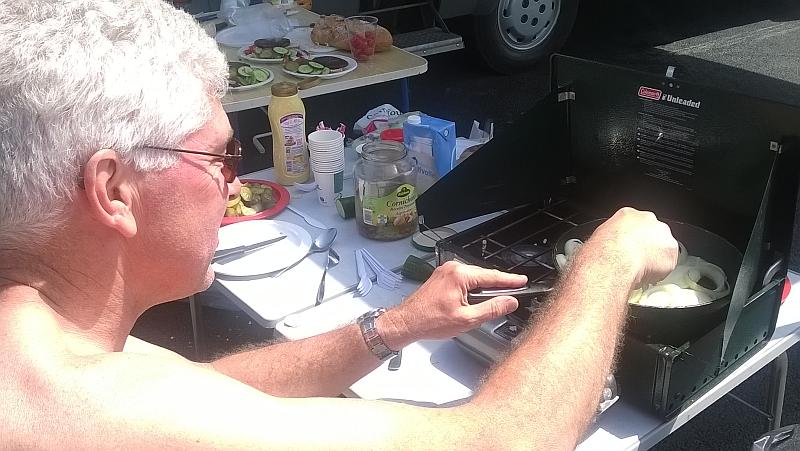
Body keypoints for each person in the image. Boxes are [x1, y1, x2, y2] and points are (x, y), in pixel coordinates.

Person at [0, 1, 679, 449]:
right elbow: (506, 440)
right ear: (113, 189)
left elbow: (210, 390)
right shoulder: (91, 413)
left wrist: (389, 327)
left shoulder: (47, 339)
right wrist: (607, 260)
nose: (234, 179)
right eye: (221, 154)